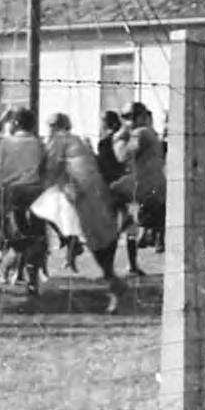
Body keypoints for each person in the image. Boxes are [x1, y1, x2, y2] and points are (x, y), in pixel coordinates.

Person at [36, 113, 128, 312]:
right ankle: (107, 275)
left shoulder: (58, 141)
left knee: (40, 209)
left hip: (80, 194)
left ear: (55, 126)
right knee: (99, 240)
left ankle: (69, 242)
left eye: (50, 126)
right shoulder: (76, 140)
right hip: (94, 193)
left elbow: (50, 169)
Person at [0, 108, 47, 294]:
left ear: (15, 124)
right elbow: (45, 167)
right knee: (37, 235)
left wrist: (3, 177)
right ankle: (32, 277)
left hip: (13, 192)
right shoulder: (38, 143)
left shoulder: (6, 143)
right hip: (36, 191)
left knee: (14, 234)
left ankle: (6, 265)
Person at [111, 102, 166, 277]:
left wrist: (118, 137)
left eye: (131, 117)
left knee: (111, 198)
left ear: (142, 117)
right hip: (152, 184)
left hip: (141, 185)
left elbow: (122, 155)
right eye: (125, 118)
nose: (128, 121)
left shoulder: (140, 133)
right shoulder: (151, 133)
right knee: (130, 222)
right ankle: (133, 262)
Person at [96, 111, 125, 185]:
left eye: (102, 121)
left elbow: (103, 164)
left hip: (111, 182)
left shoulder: (105, 143)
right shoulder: (124, 138)